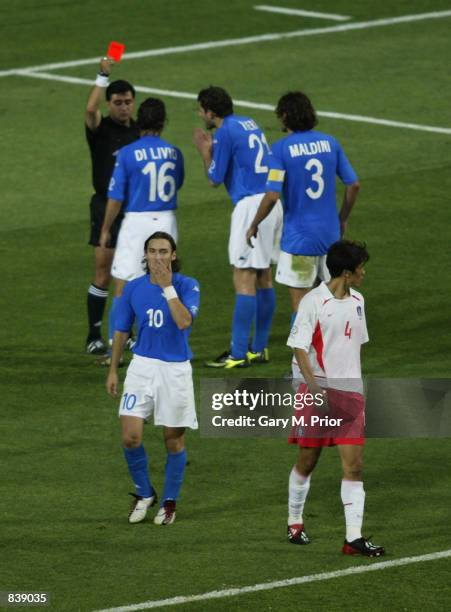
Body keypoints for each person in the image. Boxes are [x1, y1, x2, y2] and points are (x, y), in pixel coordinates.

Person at [286, 240, 385, 557]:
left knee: (354, 466)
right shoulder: (313, 302)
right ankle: (295, 520)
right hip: (315, 392)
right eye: (360, 268)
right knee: (307, 461)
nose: (364, 273)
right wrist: (314, 389)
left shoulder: (358, 300)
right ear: (346, 272)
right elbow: (299, 347)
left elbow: (355, 346)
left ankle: (352, 539)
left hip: (349, 395)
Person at [106, 232, 200, 524]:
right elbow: (122, 330)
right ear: (145, 255)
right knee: (130, 437)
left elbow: (184, 322)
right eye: (152, 251)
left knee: (173, 439)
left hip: (175, 370)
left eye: (163, 251)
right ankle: (145, 493)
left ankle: (169, 501)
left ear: (173, 255)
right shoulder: (132, 289)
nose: (157, 257)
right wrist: (113, 369)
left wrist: (168, 289)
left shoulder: (187, 286)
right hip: (142, 367)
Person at [246, 91, 360, 328]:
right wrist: (342, 218)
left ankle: (301, 365)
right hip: (331, 240)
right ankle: (330, 359)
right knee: (333, 302)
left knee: (301, 305)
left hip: (299, 242)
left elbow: (272, 194)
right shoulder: (330, 143)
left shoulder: (280, 150)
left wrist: (255, 223)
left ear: (285, 116)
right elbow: (353, 185)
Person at [193, 86, 282, 369]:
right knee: (264, 275)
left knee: (243, 277)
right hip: (271, 200)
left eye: (200, 109)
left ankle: (237, 354)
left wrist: (206, 151)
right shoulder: (249, 122)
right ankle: (258, 348)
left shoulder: (226, 132)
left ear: (210, 112)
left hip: (251, 206)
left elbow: (214, 178)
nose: (199, 114)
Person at [100, 97, 184, 355]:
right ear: (163, 122)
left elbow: (116, 197)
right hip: (167, 220)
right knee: (163, 281)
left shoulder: (128, 153)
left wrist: (105, 228)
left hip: (137, 222)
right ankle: (157, 338)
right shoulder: (174, 152)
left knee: (124, 283)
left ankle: (117, 344)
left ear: (140, 121)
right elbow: (177, 182)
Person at [85, 56, 139, 355]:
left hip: (133, 210)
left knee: (130, 274)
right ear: (109, 104)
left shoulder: (139, 132)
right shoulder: (100, 129)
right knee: (103, 272)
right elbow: (89, 110)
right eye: (117, 102)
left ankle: (125, 333)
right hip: (104, 206)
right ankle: (93, 335)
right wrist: (101, 76)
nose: (123, 107)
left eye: (128, 102)